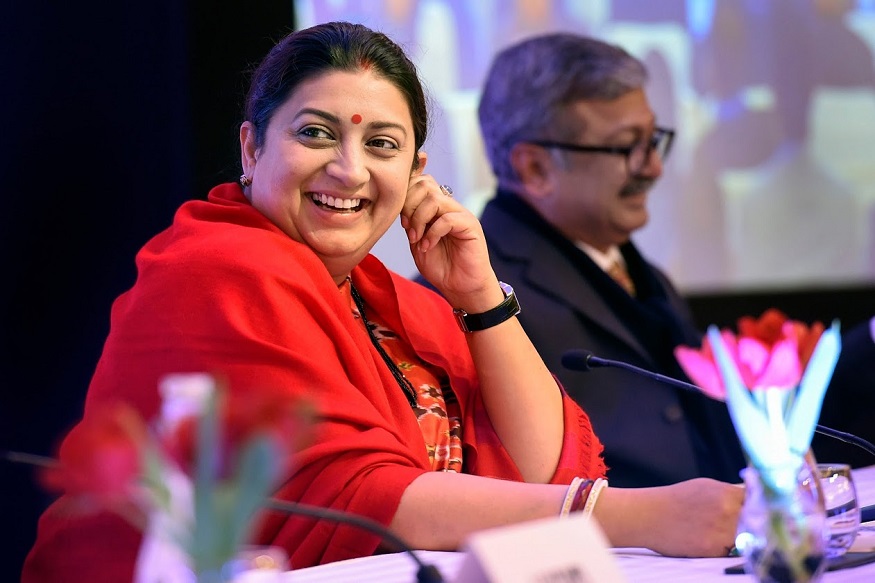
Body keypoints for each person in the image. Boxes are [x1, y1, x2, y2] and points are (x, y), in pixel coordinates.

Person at [22, 22, 742, 582]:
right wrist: (639, 516)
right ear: (250, 149)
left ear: (416, 171)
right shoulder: (217, 265)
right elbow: (350, 495)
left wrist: (481, 299)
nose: (348, 169)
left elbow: (547, 468)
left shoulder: (394, 297)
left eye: (383, 145)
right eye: (314, 134)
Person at [473, 33, 747, 488]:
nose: (654, 168)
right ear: (534, 169)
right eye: (627, 147)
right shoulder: (474, 297)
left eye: (653, 140)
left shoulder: (641, 271)